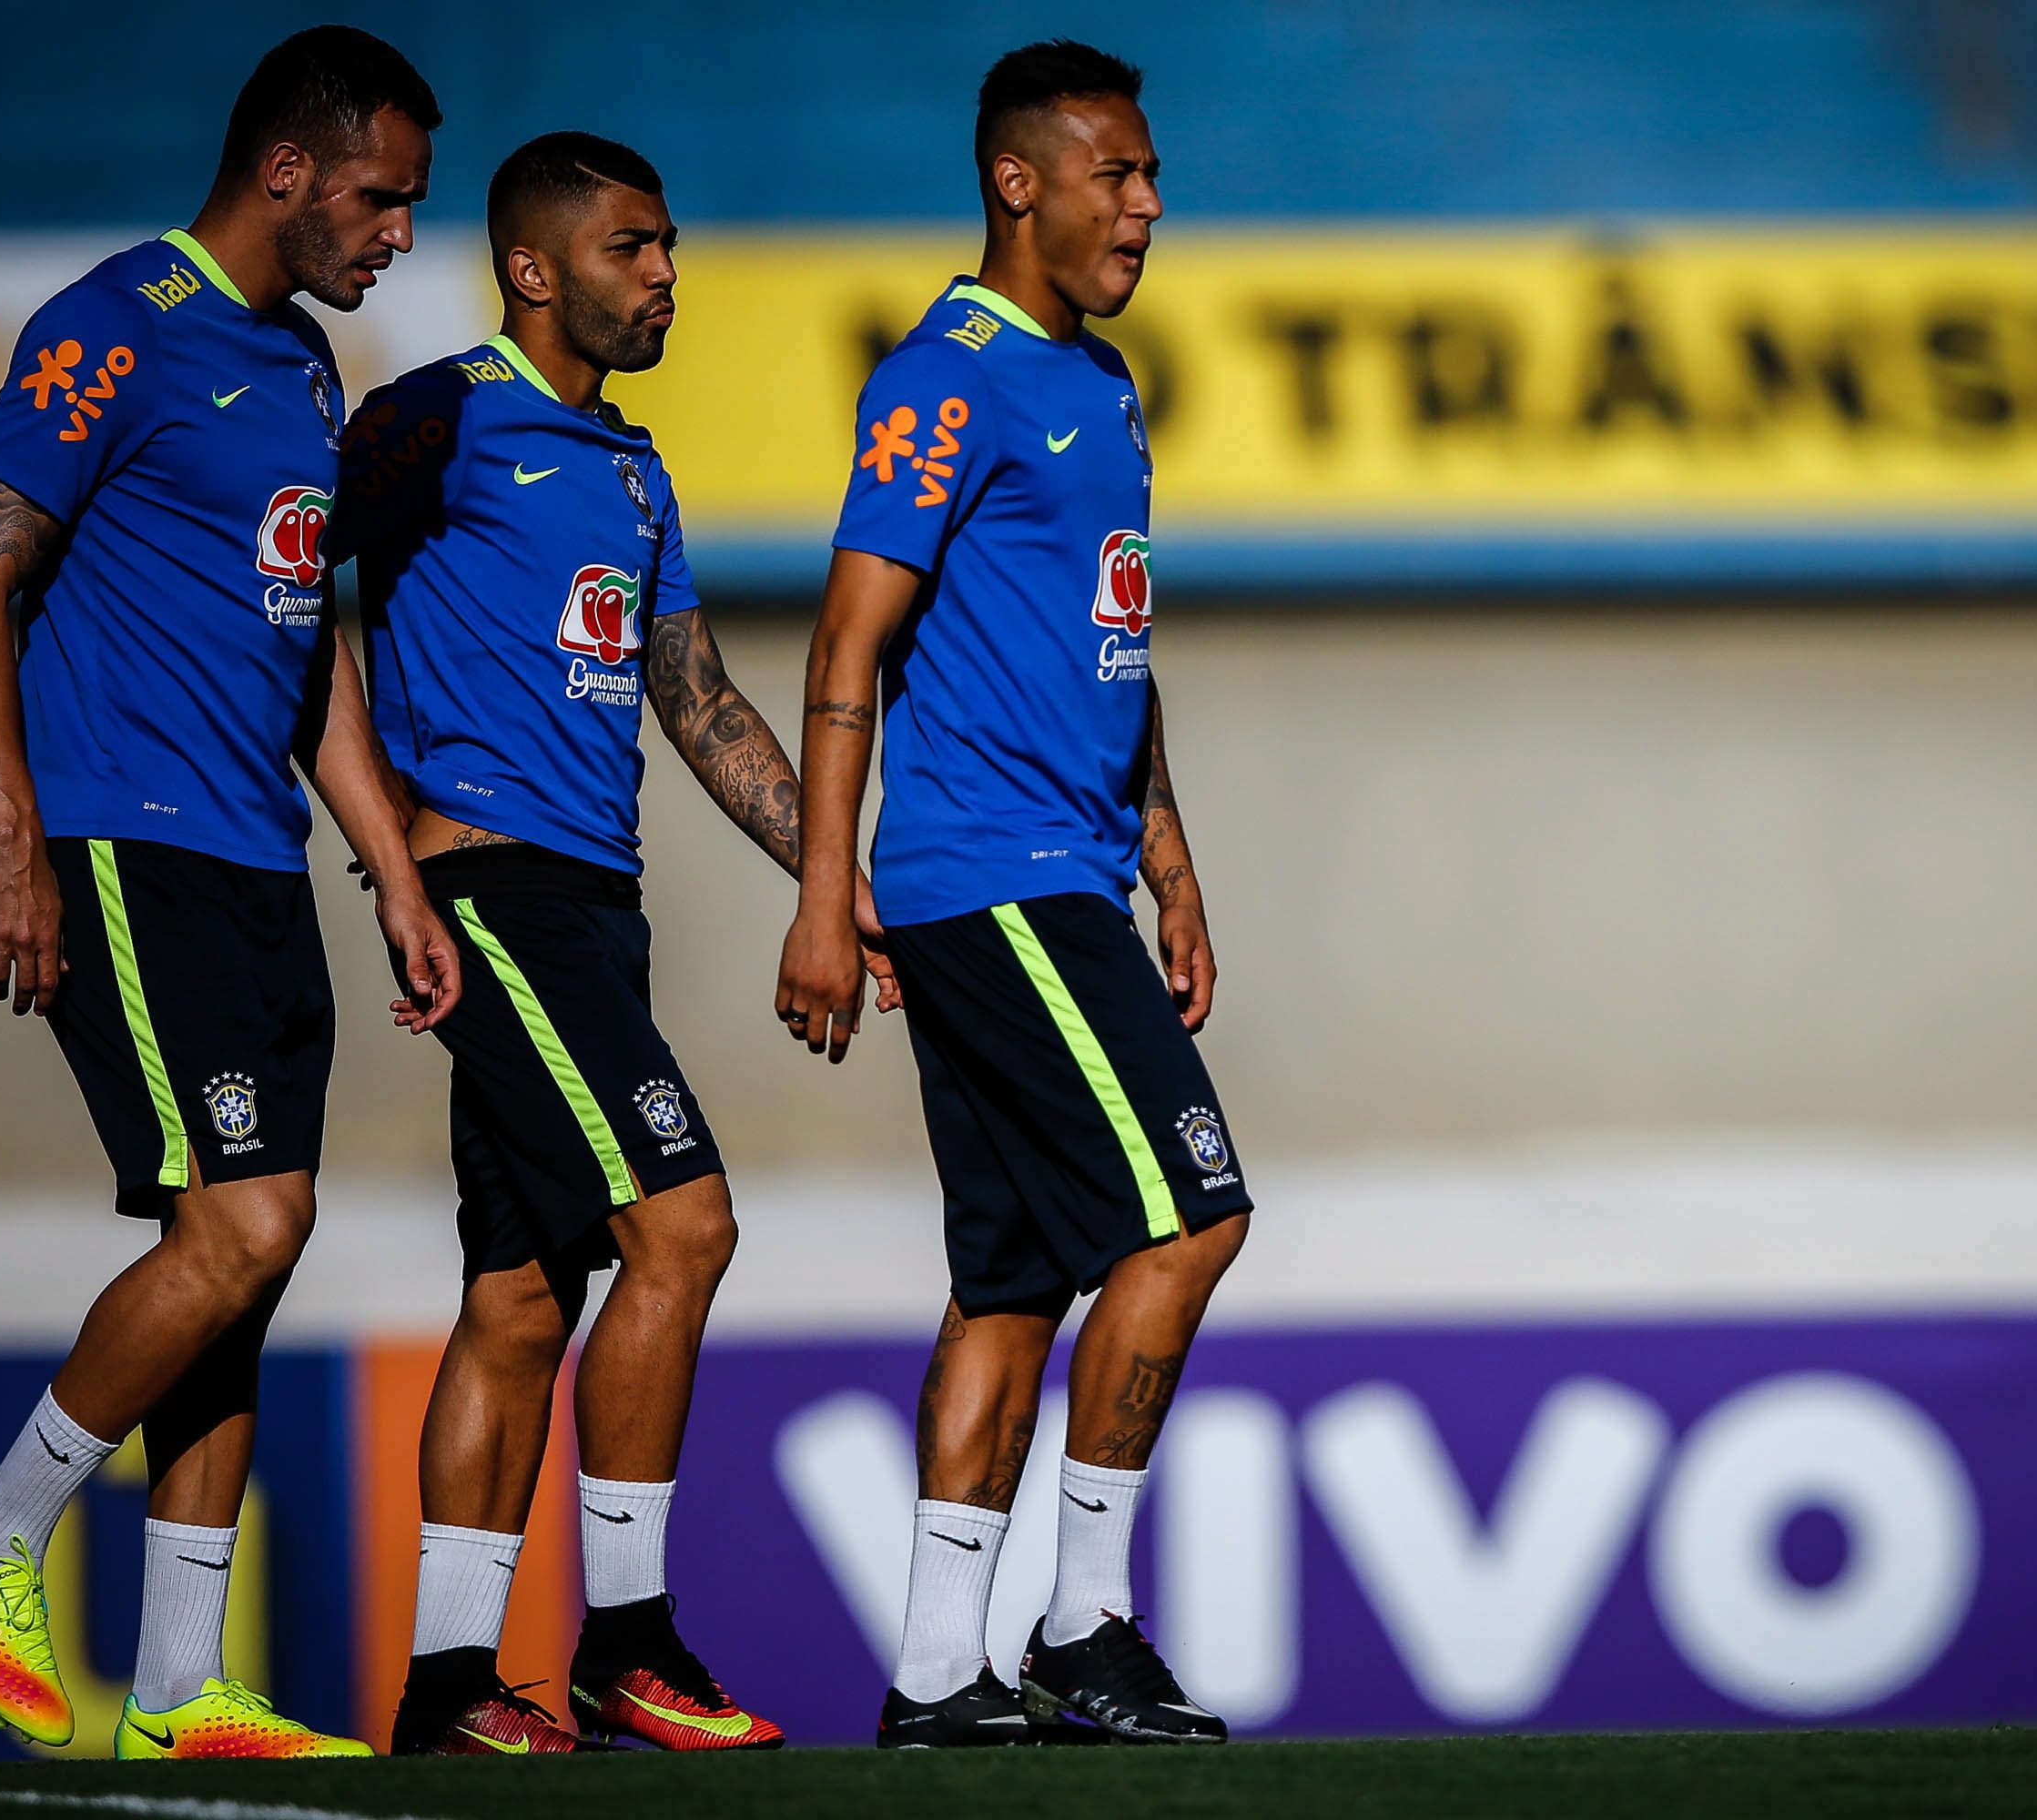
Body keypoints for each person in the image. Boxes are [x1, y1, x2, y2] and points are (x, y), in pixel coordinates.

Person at [0, 27, 453, 1761]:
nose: (396, 238)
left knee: (236, 1263)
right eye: (380, 199)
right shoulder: (110, 324)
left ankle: (175, 1688)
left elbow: (312, 658)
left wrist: (390, 871)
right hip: (123, 849)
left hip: (255, 861)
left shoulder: (300, 371)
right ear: (287, 172)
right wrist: (13, 837)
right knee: (245, 1228)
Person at [329, 132, 883, 1757]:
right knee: (686, 1227)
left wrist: (831, 881)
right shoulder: (430, 416)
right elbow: (283, 603)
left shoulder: (633, 470)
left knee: (518, 1298)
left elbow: (699, 706)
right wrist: (393, 859)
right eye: (635, 249)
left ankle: (444, 1690)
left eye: (669, 248)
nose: (665, 278)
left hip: (596, 911)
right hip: (491, 895)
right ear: (534, 266)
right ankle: (626, 1645)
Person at [776, 39, 1245, 1747]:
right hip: (995, 882)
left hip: (1074, 875)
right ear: (1017, 182)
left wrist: (1171, 856)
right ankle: (1085, 1622)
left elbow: (1111, 644)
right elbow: (848, 638)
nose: (1148, 203)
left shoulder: (1101, 379)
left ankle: (930, 1673)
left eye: (1149, 172)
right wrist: (827, 898)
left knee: (1012, 1286)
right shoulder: (944, 375)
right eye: (1117, 172)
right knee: (1191, 1224)